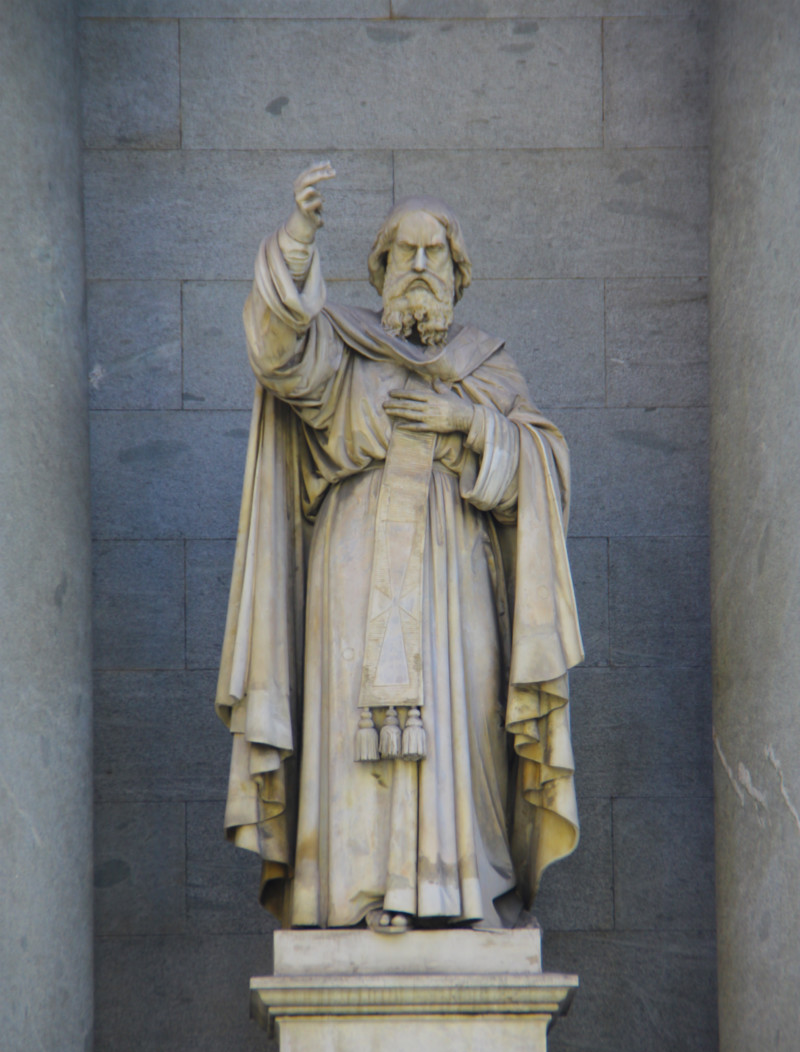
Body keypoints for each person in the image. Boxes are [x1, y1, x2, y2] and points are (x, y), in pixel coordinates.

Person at [215, 162, 584, 931]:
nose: (419, 265)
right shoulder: (343, 349)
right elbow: (278, 353)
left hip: (457, 573)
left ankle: (460, 889)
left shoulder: (486, 366)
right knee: (352, 731)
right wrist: (297, 244)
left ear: (458, 271)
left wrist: (466, 423)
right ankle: (354, 894)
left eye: (434, 252)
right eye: (404, 252)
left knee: (463, 717)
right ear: (379, 268)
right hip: (350, 570)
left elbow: (544, 470)